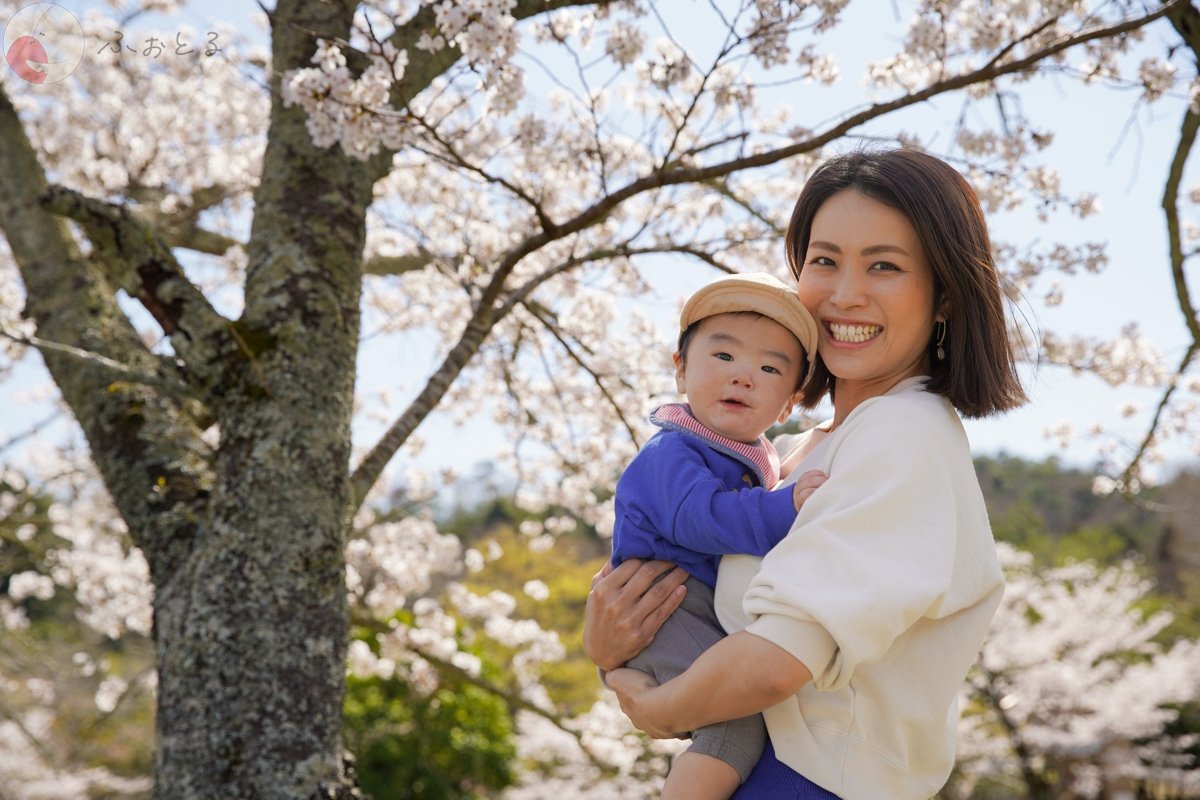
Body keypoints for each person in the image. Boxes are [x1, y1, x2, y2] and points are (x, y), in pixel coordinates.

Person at [585, 147, 1027, 800]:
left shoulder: (903, 434)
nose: (845, 294)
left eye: (884, 265)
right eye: (824, 261)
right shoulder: (796, 452)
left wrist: (655, 708)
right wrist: (608, 643)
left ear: (943, 297)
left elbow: (773, 666)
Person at [609, 271, 827, 800]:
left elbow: (765, 485)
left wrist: (812, 451)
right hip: (666, 612)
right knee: (733, 724)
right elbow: (702, 518)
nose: (743, 376)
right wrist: (784, 507)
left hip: (696, 608)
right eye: (723, 357)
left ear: (788, 404)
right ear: (680, 370)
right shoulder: (672, 452)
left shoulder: (744, 455)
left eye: (770, 367)